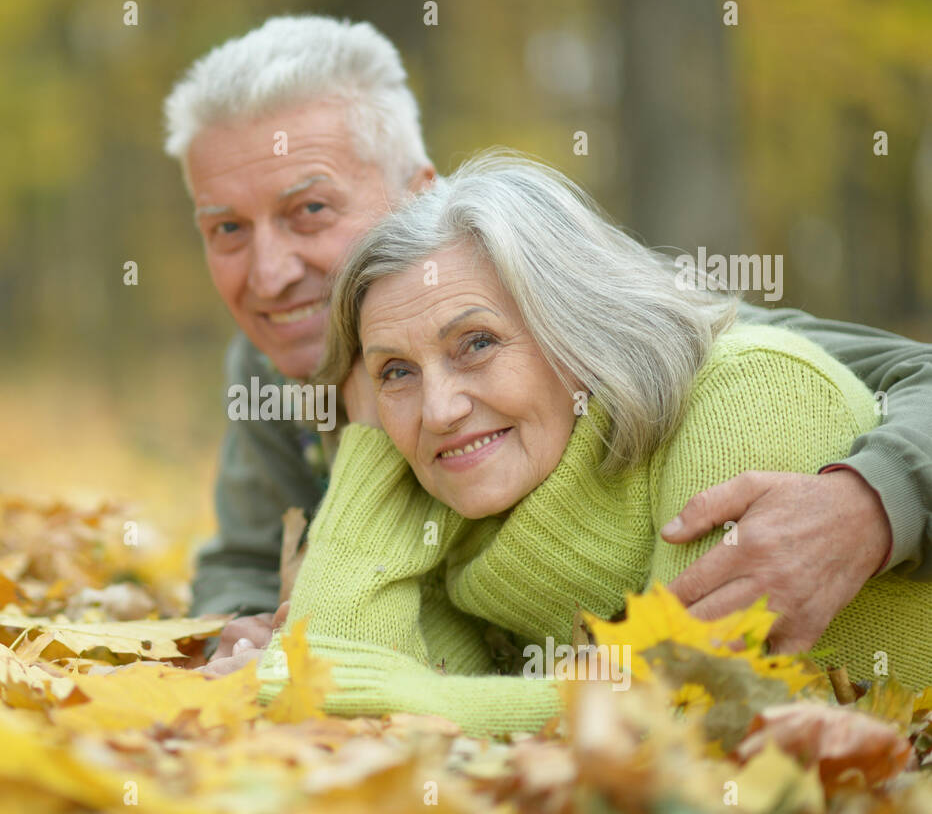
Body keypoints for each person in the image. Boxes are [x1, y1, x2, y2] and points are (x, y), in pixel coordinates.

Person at [161, 16, 932, 671]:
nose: (268, 275)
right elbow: (247, 554)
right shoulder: (272, 363)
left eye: (311, 209)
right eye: (227, 227)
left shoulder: (597, 315)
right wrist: (245, 626)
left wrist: (868, 503)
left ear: (420, 195)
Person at [252, 151, 932, 735]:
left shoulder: (751, 390)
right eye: (395, 370)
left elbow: (697, 711)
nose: (439, 408)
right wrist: (374, 444)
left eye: (478, 343)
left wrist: (420, 698)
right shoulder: (460, 517)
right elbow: (329, 702)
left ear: (574, 329)